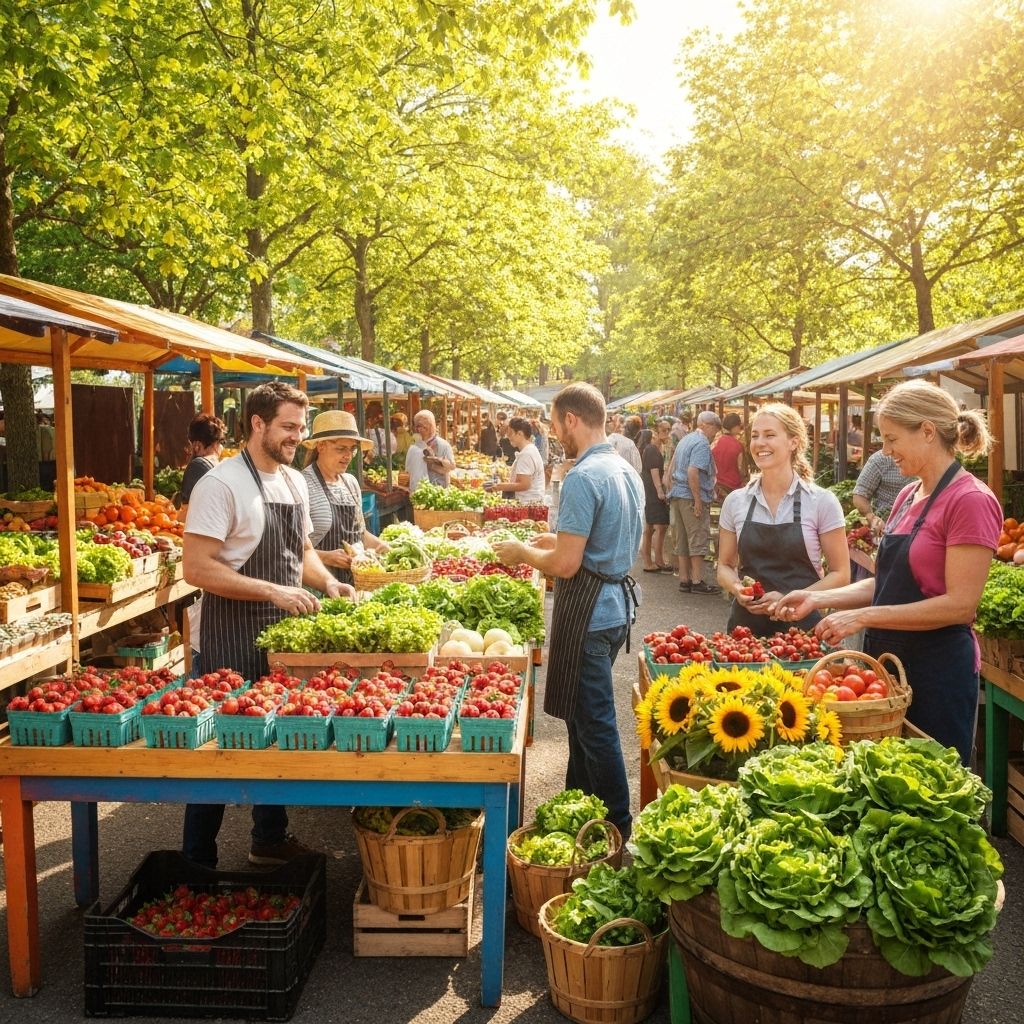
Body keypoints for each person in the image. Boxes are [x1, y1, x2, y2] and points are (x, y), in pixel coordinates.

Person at [774, 381, 1002, 765]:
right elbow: (885, 582)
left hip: (937, 671)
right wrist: (819, 597)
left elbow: (960, 606)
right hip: (887, 662)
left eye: (892, 438)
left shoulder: (970, 500)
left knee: (933, 789)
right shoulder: (907, 495)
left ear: (927, 432)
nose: (885, 451)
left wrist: (862, 617)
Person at [181, 382, 355, 868]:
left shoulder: (294, 482)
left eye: (300, 428)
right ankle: (196, 859)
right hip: (229, 635)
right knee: (219, 750)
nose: (296, 437)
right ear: (257, 424)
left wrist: (327, 583)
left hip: (284, 635)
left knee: (276, 737)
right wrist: (271, 590)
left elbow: (300, 554)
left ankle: (269, 839)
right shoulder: (220, 483)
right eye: (288, 427)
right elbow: (195, 567)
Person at [492, 382, 642, 841]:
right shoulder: (622, 467)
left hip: (590, 613)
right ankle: (578, 806)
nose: (553, 432)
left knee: (596, 725)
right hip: (616, 609)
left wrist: (523, 552)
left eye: (556, 423)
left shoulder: (581, 476)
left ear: (572, 420)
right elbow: (599, 541)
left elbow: (567, 565)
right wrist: (553, 540)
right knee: (582, 717)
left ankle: (618, 827)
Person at [717, 405, 849, 636]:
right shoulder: (736, 501)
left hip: (803, 633)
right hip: (746, 633)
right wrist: (738, 589)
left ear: (793, 442)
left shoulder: (821, 501)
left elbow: (840, 574)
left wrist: (793, 599)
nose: (759, 443)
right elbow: (724, 566)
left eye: (770, 435)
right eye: (755, 436)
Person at [301, 410, 390, 587]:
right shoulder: (303, 484)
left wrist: (385, 549)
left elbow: (360, 534)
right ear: (321, 446)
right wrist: (327, 557)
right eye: (341, 448)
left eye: (352, 449)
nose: (348, 456)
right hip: (317, 586)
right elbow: (288, 548)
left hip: (355, 582)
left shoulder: (350, 482)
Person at [668, 411, 722, 595]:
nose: (715, 435)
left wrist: (669, 486)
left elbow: (672, 465)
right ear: (708, 426)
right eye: (715, 430)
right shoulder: (702, 443)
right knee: (697, 537)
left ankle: (684, 579)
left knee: (682, 539)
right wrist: (698, 500)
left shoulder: (686, 439)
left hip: (678, 494)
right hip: (690, 496)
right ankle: (697, 580)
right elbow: (693, 471)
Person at [483, 416, 545, 504]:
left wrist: (498, 486)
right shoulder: (529, 450)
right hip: (531, 502)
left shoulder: (526, 454)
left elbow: (524, 484)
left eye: (510, 433)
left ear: (520, 434)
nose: (508, 437)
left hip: (527, 503)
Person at [638, 421, 672, 573]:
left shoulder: (653, 448)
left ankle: (651, 561)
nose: (667, 432)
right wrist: (660, 491)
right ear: (655, 432)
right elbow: (654, 472)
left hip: (649, 491)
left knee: (651, 527)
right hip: (652, 492)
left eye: (668, 429)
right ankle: (655, 560)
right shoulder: (651, 449)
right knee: (659, 526)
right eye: (663, 429)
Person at [178, 412, 226, 518]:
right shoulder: (223, 466)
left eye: (190, 444)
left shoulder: (197, 467)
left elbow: (187, 514)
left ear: (197, 445)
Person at [852, 449, 909, 531]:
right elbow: (860, 494)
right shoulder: (881, 459)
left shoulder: (928, 459)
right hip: (886, 528)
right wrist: (871, 517)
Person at [405, 409, 455, 491]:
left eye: (422, 425)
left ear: (432, 425)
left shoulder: (443, 445)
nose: (419, 429)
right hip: (418, 490)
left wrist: (435, 462)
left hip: (437, 489)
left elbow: (451, 466)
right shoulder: (416, 445)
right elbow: (409, 469)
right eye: (417, 426)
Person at [712, 412, 746, 501]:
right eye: (739, 426)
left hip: (716, 487)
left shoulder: (715, 442)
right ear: (735, 427)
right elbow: (741, 468)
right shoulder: (738, 445)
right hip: (733, 488)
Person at [36, 411, 56, 491]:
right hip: (49, 461)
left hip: (45, 462)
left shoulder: (44, 430)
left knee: (46, 483)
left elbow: (47, 448)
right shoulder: (49, 429)